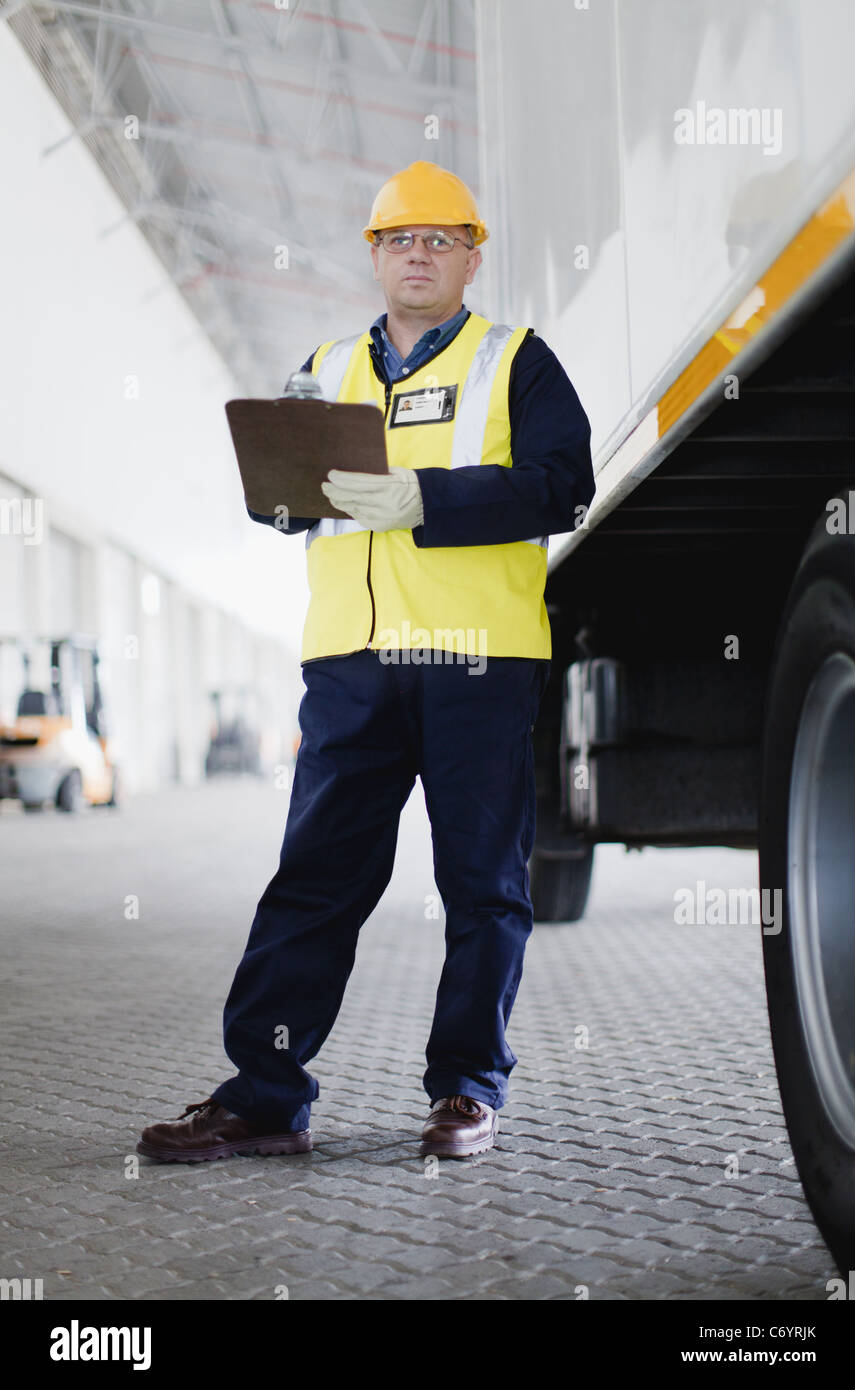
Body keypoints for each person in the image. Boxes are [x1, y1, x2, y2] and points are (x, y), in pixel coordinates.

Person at [138, 160, 595, 1163]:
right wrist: (282, 493)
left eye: (438, 238)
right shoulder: (327, 363)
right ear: (374, 256)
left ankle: (467, 1089)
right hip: (350, 664)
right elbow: (286, 499)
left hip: (475, 660)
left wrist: (428, 500)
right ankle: (263, 1093)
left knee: (479, 881)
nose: (418, 253)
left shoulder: (515, 361)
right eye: (399, 239)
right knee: (314, 878)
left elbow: (563, 486)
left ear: (472, 255)